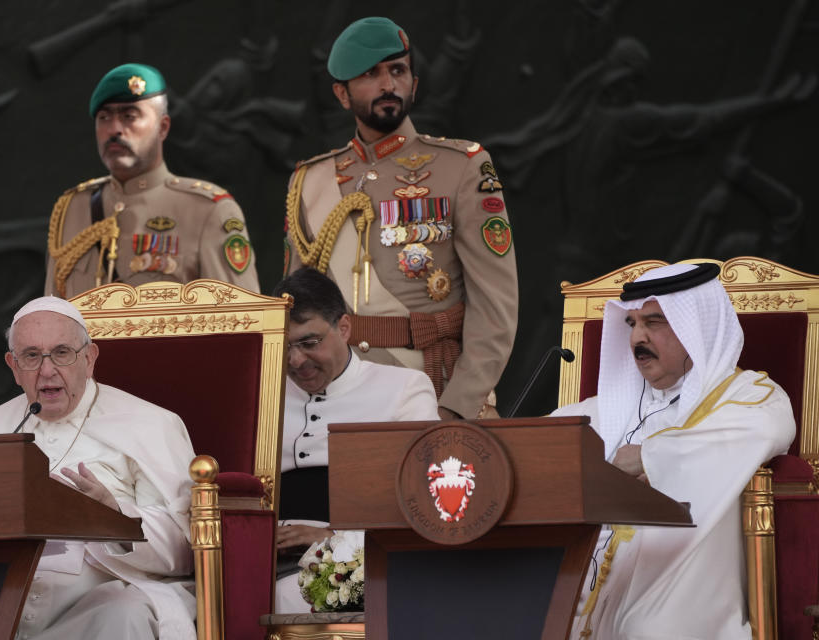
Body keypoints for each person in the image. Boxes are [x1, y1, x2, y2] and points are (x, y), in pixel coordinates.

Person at [284, 17, 518, 421]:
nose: (388, 84)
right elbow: (297, 309)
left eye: (398, 71)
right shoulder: (309, 180)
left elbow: (494, 306)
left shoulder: (462, 166)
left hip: (432, 386)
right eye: (371, 74)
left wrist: (456, 406)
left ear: (415, 83)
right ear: (342, 94)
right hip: (336, 395)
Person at [550, 263, 795, 639]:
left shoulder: (747, 396)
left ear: (695, 325)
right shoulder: (612, 406)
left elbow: (768, 426)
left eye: (654, 322)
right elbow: (544, 440)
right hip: (591, 589)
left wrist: (652, 456)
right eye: (632, 323)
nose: (637, 339)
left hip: (681, 587)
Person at [0, 296, 196, 640]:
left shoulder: (152, 425)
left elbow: (185, 549)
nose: (47, 369)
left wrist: (112, 516)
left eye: (62, 352)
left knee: (122, 614)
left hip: (104, 600)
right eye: (31, 356)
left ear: (89, 358)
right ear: (13, 366)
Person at [272, 267, 439, 612]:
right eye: (285, 347)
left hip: (352, 557)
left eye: (309, 343)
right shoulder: (262, 390)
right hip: (257, 554)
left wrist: (331, 538)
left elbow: (422, 504)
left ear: (344, 328)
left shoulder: (404, 388)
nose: (296, 360)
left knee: (283, 601)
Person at [45, 63, 259, 299]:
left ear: (163, 128)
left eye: (129, 116)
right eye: (104, 117)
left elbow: (243, 321)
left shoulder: (209, 210)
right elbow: (53, 316)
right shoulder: (72, 209)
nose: (114, 129)